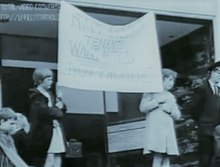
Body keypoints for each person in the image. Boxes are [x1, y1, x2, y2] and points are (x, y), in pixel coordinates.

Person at [139, 68, 181, 167]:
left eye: (173, 81)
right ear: (162, 79)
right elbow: (143, 108)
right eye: (169, 80)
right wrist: (157, 102)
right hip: (156, 131)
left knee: (167, 157)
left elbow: (177, 115)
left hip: (167, 131)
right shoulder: (150, 93)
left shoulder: (170, 96)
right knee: (157, 156)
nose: (172, 83)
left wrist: (170, 111)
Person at [28, 68, 66, 167]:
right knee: (49, 159)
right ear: (40, 81)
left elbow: (62, 109)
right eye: (48, 79)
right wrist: (57, 108)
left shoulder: (50, 95)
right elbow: (46, 112)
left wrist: (59, 102)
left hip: (54, 131)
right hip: (44, 133)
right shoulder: (36, 96)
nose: (51, 82)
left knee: (57, 157)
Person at [190, 61, 220, 167]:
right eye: (217, 71)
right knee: (206, 159)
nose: (219, 75)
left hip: (218, 131)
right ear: (210, 73)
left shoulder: (219, 89)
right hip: (206, 130)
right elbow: (194, 109)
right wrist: (203, 121)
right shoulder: (202, 88)